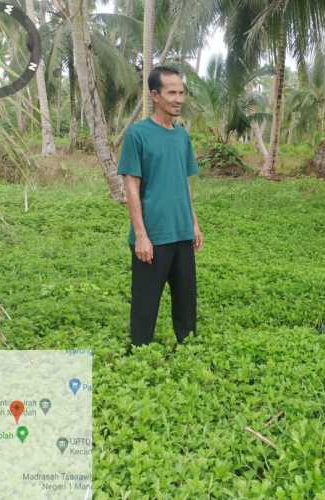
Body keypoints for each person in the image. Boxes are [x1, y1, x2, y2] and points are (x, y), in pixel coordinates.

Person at [118, 65, 203, 348]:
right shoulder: (138, 135)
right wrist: (141, 234)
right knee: (145, 302)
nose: (178, 99)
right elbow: (131, 185)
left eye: (181, 92)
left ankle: (188, 349)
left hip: (182, 233)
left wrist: (194, 223)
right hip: (152, 235)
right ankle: (140, 353)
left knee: (186, 301)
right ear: (155, 95)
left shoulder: (182, 136)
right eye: (172, 93)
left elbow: (184, 182)